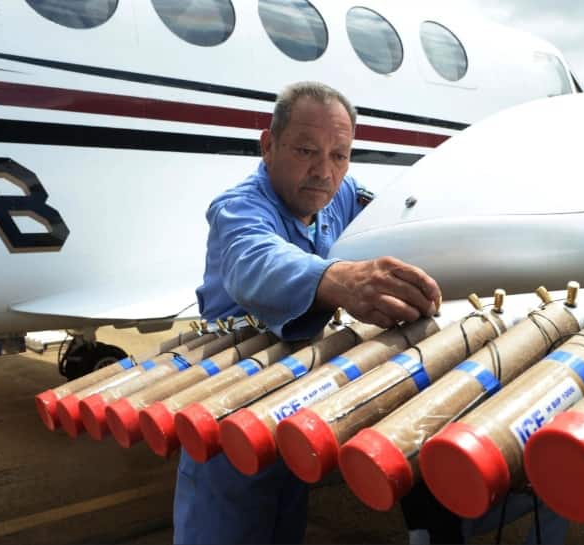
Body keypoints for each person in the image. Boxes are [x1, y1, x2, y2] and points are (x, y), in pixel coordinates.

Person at [173, 81, 443, 544]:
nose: (324, 172)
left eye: (340, 155)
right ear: (269, 146)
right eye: (305, 151)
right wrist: (340, 280)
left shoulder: (340, 193)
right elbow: (254, 262)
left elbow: (385, 215)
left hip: (294, 413)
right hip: (231, 416)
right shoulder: (239, 209)